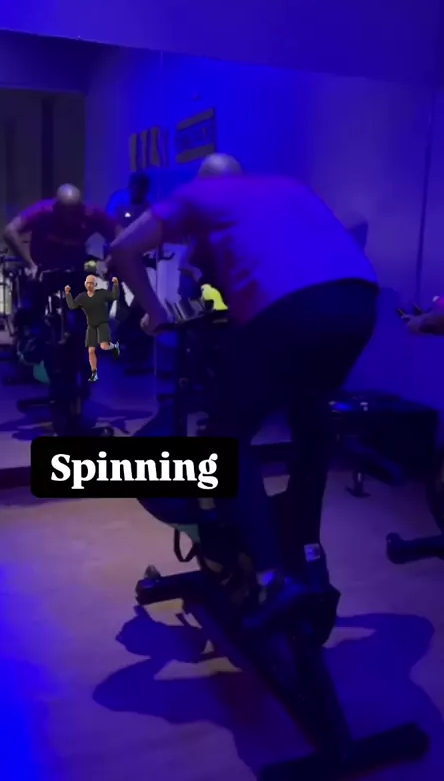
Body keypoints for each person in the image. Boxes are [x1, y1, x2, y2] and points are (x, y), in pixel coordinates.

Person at [110, 153, 379, 629]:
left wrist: (155, 311)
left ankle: (273, 578)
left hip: (288, 310)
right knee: (312, 428)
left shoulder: (201, 195)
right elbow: (340, 229)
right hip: (357, 300)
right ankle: (306, 553)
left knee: (226, 440)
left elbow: (123, 248)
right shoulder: (287, 187)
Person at [3, 184, 119, 280]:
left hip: (77, 264)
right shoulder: (41, 212)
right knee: (34, 293)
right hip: (42, 265)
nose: (71, 218)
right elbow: (10, 231)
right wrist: (30, 264)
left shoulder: (92, 214)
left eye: (75, 212)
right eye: (66, 213)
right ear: (56, 208)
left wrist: (107, 263)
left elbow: (121, 236)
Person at [65, 275, 120, 382]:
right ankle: (91, 372)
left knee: (99, 347)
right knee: (89, 350)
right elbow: (72, 306)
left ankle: (113, 347)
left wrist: (115, 285)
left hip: (97, 325)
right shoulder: (82, 296)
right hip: (87, 327)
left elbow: (112, 297)